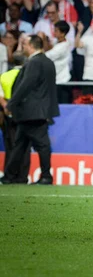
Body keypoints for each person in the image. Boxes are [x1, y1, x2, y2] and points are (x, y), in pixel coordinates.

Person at [4, 35, 59, 185]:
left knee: (40, 145)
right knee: (20, 145)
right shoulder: (48, 62)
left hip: (32, 111)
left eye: (25, 45)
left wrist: (11, 104)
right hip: (40, 110)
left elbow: (25, 85)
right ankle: (9, 176)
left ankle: (46, 175)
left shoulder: (34, 62)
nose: (23, 48)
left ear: (31, 46)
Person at [0, 52, 27, 184]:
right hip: (24, 112)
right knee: (25, 145)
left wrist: (7, 107)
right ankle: (22, 176)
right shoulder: (26, 75)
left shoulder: (4, 75)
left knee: (10, 145)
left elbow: (0, 94)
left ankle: (9, 175)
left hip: (8, 112)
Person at [45, 21, 72, 104]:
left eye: (56, 31)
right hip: (55, 79)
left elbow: (47, 56)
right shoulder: (58, 42)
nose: (54, 32)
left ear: (63, 33)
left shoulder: (62, 47)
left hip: (61, 80)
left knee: (61, 106)